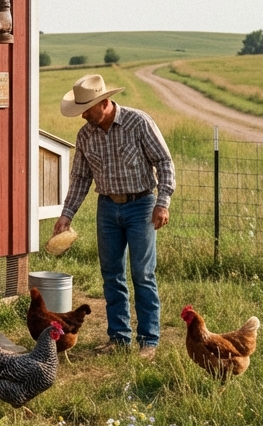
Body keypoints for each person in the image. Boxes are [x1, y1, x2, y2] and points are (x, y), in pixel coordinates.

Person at [51, 73, 174, 358]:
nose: (83, 116)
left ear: (104, 102)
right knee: (111, 274)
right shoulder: (86, 135)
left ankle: (149, 340)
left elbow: (164, 162)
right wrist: (66, 214)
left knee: (142, 274)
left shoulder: (138, 122)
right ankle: (119, 338)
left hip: (142, 204)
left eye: (87, 109)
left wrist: (163, 202)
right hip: (106, 207)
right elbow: (81, 177)